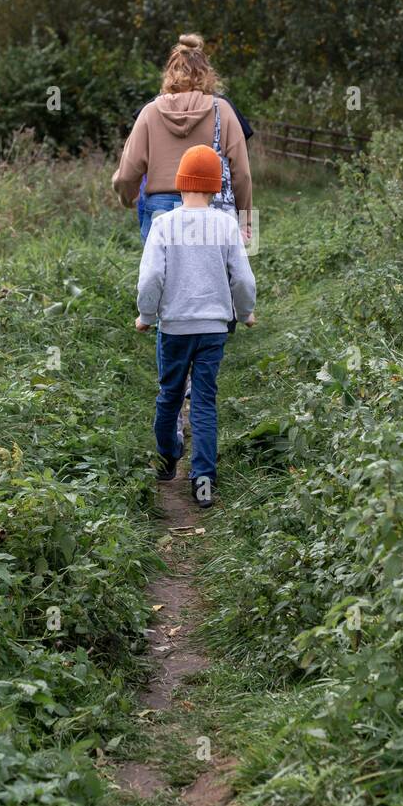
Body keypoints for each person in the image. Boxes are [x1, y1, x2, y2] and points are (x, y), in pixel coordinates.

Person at [136, 144, 256, 508]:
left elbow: (151, 277)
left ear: (179, 183)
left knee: (169, 396)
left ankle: (167, 459)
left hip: (173, 328)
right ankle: (203, 481)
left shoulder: (163, 224)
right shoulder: (225, 225)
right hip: (213, 329)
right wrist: (245, 311)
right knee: (204, 402)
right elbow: (243, 279)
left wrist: (147, 315)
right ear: (216, 187)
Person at [113, 34, 253, 242]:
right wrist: (246, 221)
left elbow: (126, 175)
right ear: (206, 74)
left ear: (169, 74)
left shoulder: (149, 113)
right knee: (212, 273)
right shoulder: (222, 111)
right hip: (209, 208)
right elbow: (241, 174)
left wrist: (127, 198)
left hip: (159, 210)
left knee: (159, 273)